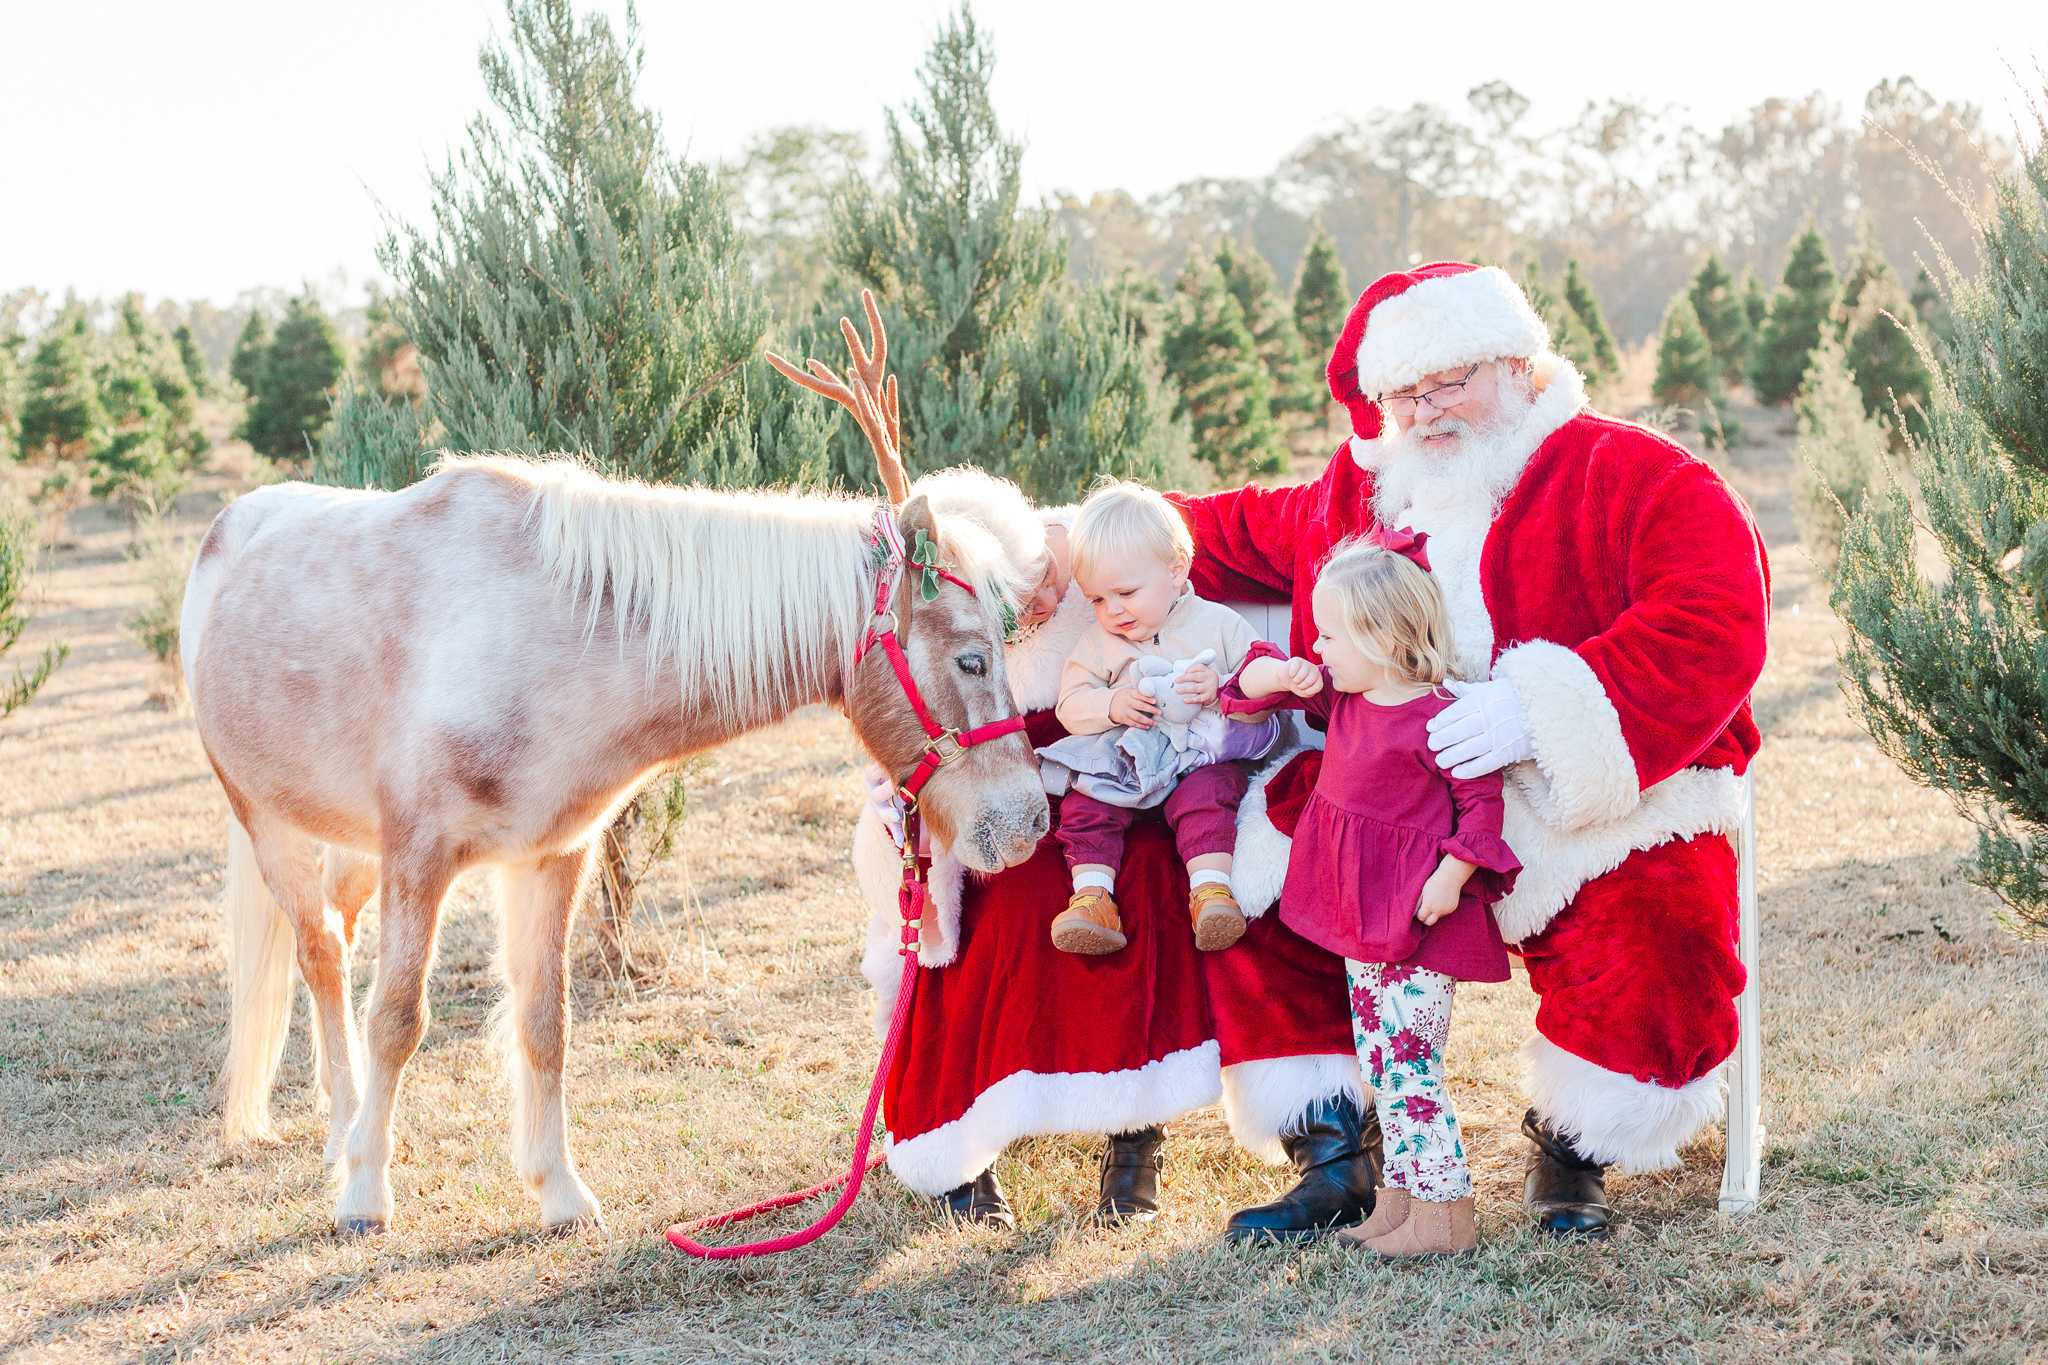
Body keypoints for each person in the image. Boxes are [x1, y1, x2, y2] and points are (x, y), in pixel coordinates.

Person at [1175, 260, 1769, 1238]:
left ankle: (1575, 1144)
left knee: (1654, 932)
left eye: (1451, 379)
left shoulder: (1631, 472)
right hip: (1378, 796)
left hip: (1574, 796)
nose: (1427, 409)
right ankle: (1335, 1149)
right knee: (1249, 892)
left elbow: (1712, 615)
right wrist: (1061, 539)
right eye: (1405, 392)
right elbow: (1215, 531)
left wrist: (1535, 712)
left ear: (1522, 366)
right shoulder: (1359, 491)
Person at [850, 466, 1373, 1235]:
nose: (1046, 606)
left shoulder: (1109, 551)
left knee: (1198, 880)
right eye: (1024, 601)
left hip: (1186, 771)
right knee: (1020, 896)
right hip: (1037, 789)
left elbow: (1231, 550)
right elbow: (937, 721)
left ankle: (1269, 1146)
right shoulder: (966, 612)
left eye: (1049, 585)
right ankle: (959, 1143)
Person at [1226, 536, 1520, 1257]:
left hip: (1416, 921)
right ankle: (1400, 1200)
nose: (1318, 647)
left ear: (1385, 639)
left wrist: (1452, 877)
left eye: (1330, 634)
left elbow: (1482, 808)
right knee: (1382, 1060)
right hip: (1361, 920)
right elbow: (1243, 695)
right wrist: (1281, 675)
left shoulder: (1443, 717)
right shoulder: (1345, 699)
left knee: (1414, 1064)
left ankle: (1444, 1211)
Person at [1043, 480, 1278, 955]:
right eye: (1096, 599)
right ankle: (1092, 898)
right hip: (1124, 764)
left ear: (1175, 571)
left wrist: (1222, 688)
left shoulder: (1217, 623)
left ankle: (1211, 891)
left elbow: (1262, 677)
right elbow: (1070, 703)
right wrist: (1110, 704)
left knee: (1212, 796)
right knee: (1084, 805)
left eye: (1125, 592)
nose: (1112, 610)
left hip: (1195, 761)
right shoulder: (1097, 643)